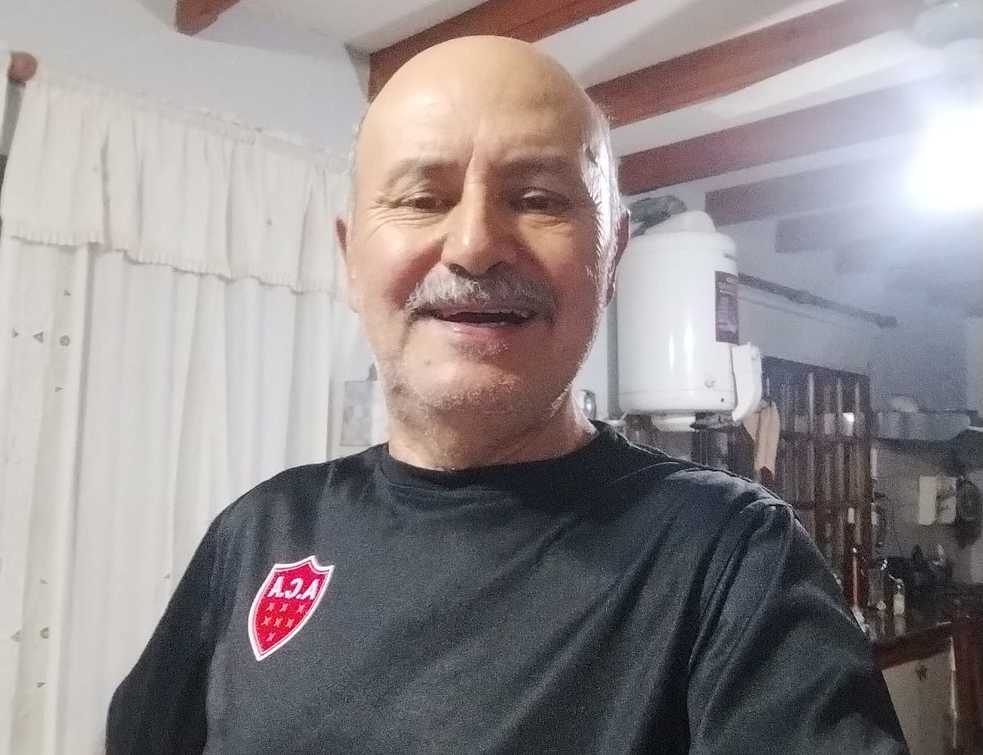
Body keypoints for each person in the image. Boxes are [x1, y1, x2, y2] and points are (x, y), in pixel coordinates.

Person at [106, 36, 906, 753]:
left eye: (537, 198)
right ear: (351, 258)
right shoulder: (257, 534)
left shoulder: (729, 558)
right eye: (421, 198)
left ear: (610, 255)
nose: (474, 244)